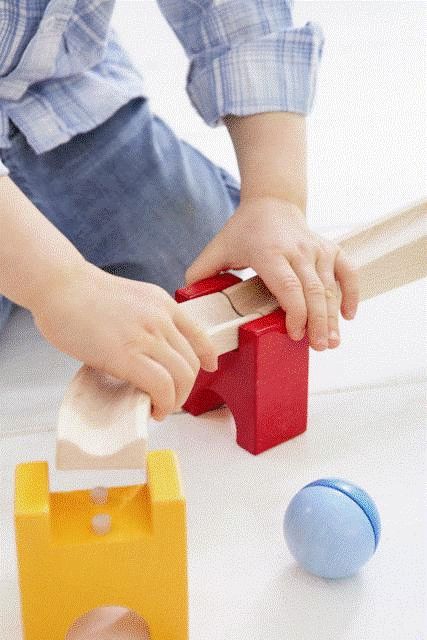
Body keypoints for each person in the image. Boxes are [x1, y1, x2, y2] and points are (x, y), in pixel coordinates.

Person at [0, 1, 359, 421]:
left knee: (206, 262)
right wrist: (60, 286)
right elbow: (62, 289)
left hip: (60, 90)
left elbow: (235, 12)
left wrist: (275, 199)